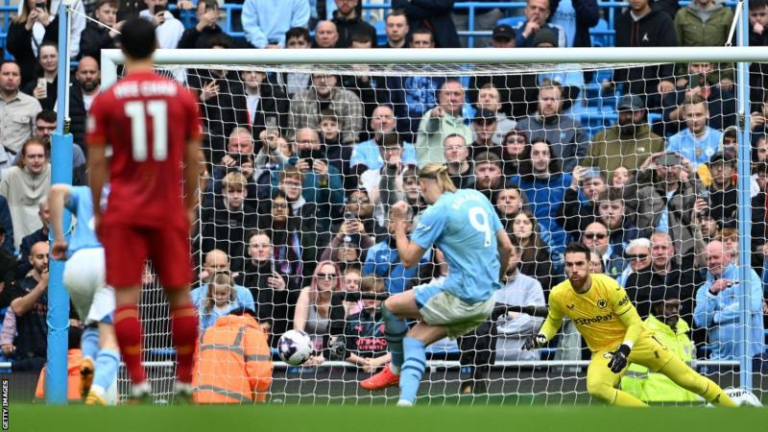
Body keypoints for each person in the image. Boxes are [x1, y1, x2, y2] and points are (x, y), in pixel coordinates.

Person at [86, 18, 202, 403]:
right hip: (167, 207)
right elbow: (193, 157)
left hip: (124, 209)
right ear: (155, 46)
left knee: (125, 300)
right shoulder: (180, 95)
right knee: (180, 299)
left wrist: (100, 212)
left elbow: (97, 163)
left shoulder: (107, 99)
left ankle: (137, 383)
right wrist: (189, 206)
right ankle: (185, 382)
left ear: (122, 49)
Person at [360, 163, 513, 407]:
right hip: (485, 301)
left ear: (423, 184)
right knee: (414, 340)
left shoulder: (437, 211)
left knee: (389, 306)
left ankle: (396, 367)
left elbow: (409, 259)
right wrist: (500, 276)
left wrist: (398, 223)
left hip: (459, 295)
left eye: (420, 189)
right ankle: (405, 404)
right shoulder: (478, 197)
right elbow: (507, 247)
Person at [524, 242, 736, 407]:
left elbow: (634, 322)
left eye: (580, 264)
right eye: (569, 265)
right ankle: (649, 419)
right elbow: (553, 320)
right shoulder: (558, 294)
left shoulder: (609, 286)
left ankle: (737, 413)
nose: (574, 269)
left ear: (589, 265)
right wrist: (541, 338)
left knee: (690, 380)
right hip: (604, 350)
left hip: (637, 341)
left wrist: (624, 350)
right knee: (597, 388)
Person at [49, 184, 120, 405]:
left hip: (76, 263)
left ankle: (88, 359)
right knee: (112, 340)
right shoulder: (133, 193)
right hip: (108, 263)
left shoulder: (88, 192)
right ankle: (97, 391)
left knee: (91, 326)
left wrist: (60, 238)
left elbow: (55, 192)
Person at [621, 288, 701, 404]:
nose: (674, 311)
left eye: (677, 306)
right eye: (669, 307)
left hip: (684, 406)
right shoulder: (644, 335)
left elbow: (691, 375)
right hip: (655, 406)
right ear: (656, 307)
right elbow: (632, 378)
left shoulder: (684, 336)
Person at [694, 241, 765, 361]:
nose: (712, 262)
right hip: (718, 361)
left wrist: (716, 317)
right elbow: (701, 321)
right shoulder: (705, 289)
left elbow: (752, 306)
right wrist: (712, 293)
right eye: (708, 258)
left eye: (716, 257)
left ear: (728, 256)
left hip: (753, 358)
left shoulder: (747, 275)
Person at [193, 308, 273, 404]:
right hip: (234, 403)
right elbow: (260, 376)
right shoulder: (253, 333)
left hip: (198, 400)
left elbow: (193, 368)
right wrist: (258, 402)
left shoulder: (206, 333)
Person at [495, 238, 546, 361]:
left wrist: (496, 328)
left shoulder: (532, 285)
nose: (506, 259)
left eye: (511, 255)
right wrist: (512, 315)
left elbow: (534, 321)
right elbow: (478, 320)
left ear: (519, 255)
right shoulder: (483, 285)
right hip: (490, 364)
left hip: (526, 363)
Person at [0, 138, 50, 251]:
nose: (36, 160)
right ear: (23, 158)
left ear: (46, 158)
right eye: (31, 156)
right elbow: (1, 210)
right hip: (17, 247)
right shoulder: (10, 175)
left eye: (40, 156)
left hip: (47, 245)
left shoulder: (55, 173)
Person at [293, 261, 347, 366]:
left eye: (331, 276)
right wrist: (304, 354)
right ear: (316, 278)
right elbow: (298, 328)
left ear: (337, 280)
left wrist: (323, 356)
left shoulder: (343, 300)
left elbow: (336, 334)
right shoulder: (307, 293)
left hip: (331, 356)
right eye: (322, 275)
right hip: (305, 352)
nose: (327, 279)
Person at [0, 61, 42, 169]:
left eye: (15, 74)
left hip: (18, 165)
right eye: (6, 74)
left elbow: (37, 138)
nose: (10, 78)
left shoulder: (32, 104)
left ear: (20, 79)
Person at [242, 0, 310, 48]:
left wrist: (281, 45)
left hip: (290, 46)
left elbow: (298, 26)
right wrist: (263, 45)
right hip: (258, 48)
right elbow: (249, 25)